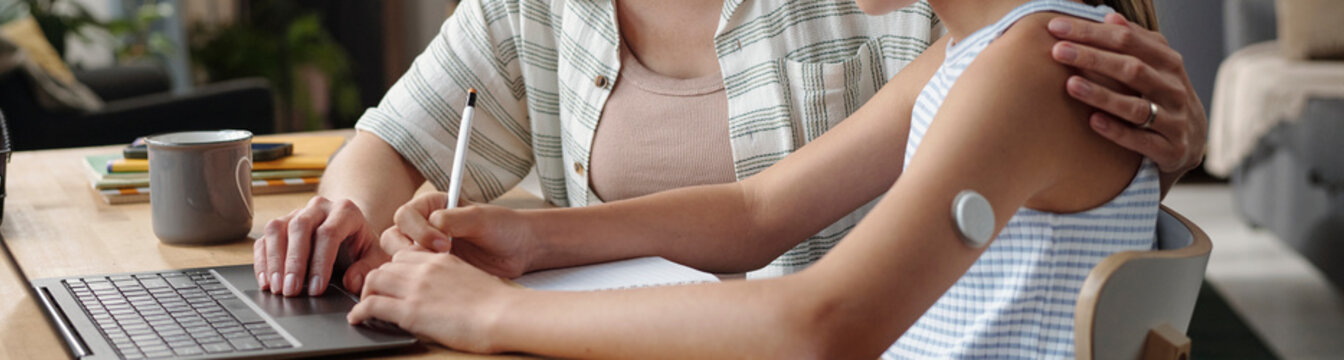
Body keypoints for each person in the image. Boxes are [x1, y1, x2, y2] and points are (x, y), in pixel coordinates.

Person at [349, 0, 1178, 357]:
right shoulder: (970, 57)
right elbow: (762, 209)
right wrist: (529, 239)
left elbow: (824, 327)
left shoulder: (1031, 69)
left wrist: (496, 314)